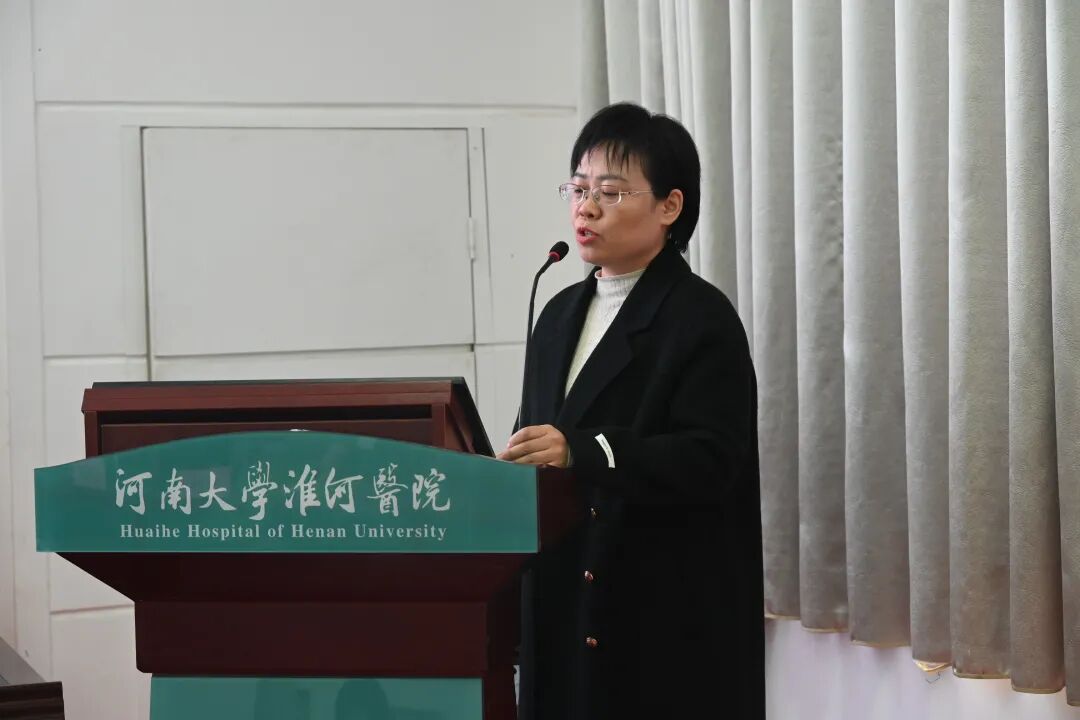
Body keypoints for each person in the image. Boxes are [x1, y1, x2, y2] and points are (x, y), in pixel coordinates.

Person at [497, 102, 764, 719]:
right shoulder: (558, 313)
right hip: (563, 593)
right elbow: (535, 437)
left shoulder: (700, 318)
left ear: (670, 206)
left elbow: (711, 459)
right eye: (578, 189)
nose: (586, 208)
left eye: (611, 192)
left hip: (656, 610)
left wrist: (584, 451)